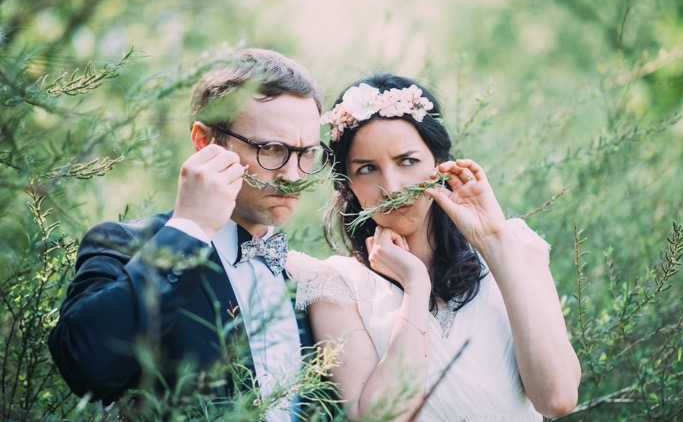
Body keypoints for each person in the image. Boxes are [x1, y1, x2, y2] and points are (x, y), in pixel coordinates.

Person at [49, 48, 331, 421]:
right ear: (205, 141)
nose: (293, 175)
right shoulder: (127, 245)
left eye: (306, 153)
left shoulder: (308, 279)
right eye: (272, 149)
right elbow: (87, 367)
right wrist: (188, 230)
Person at [286, 74, 581, 421]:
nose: (392, 187)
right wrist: (414, 285)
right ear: (348, 185)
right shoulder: (335, 285)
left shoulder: (515, 245)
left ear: (439, 162)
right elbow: (382, 418)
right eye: (367, 169)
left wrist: (493, 241)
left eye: (407, 161)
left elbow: (558, 398)